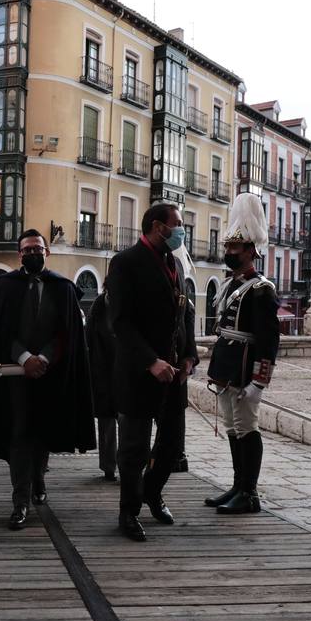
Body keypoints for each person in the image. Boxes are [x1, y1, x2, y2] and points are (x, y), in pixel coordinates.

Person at [0, 230, 95, 529]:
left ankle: (39, 479)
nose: (32, 253)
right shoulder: (5, 286)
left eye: (37, 248)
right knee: (19, 434)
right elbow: (0, 331)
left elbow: (67, 332)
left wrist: (42, 358)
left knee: (43, 431)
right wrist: (23, 358)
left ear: (47, 252)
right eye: (27, 249)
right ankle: (20, 501)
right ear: (20, 254)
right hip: (15, 376)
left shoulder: (63, 287)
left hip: (51, 374)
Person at [106, 204, 198, 542]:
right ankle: (128, 512)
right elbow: (120, 322)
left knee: (172, 445)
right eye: (177, 224)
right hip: (138, 374)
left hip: (174, 374)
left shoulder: (173, 262)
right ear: (158, 227)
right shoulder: (125, 263)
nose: (181, 229)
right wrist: (150, 361)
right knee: (134, 449)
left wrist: (189, 357)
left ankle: (152, 492)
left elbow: (182, 314)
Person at [204, 192, 279, 515]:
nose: (229, 253)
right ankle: (237, 485)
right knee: (233, 428)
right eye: (227, 248)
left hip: (246, 367)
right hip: (227, 367)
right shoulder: (232, 284)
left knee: (247, 428)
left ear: (250, 250)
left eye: (234, 248)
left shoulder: (261, 289)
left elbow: (268, 340)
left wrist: (259, 381)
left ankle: (249, 493)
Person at [86, 289, 118, 482]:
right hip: (103, 372)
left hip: (125, 371)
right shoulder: (97, 307)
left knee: (127, 421)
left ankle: (128, 465)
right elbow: (89, 338)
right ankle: (108, 466)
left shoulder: (130, 302)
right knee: (107, 422)